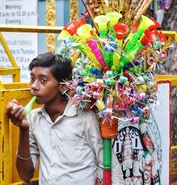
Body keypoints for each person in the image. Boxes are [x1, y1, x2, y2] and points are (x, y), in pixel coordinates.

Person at [6, 52, 124, 184]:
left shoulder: (85, 117)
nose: (34, 86)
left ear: (63, 86)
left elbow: (110, 164)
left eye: (43, 80)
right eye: (32, 78)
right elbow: (25, 174)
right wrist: (23, 130)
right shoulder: (33, 118)